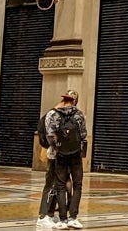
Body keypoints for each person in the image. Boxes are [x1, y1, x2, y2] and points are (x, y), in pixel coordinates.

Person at [37, 90, 87, 229]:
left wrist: (55, 148)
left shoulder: (52, 113)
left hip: (56, 154)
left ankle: (55, 215)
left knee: (58, 184)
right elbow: (83, 134)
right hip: (73, 154)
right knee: (61, 184)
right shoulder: (78, 114)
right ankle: (46, 215)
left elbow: (48, 133)